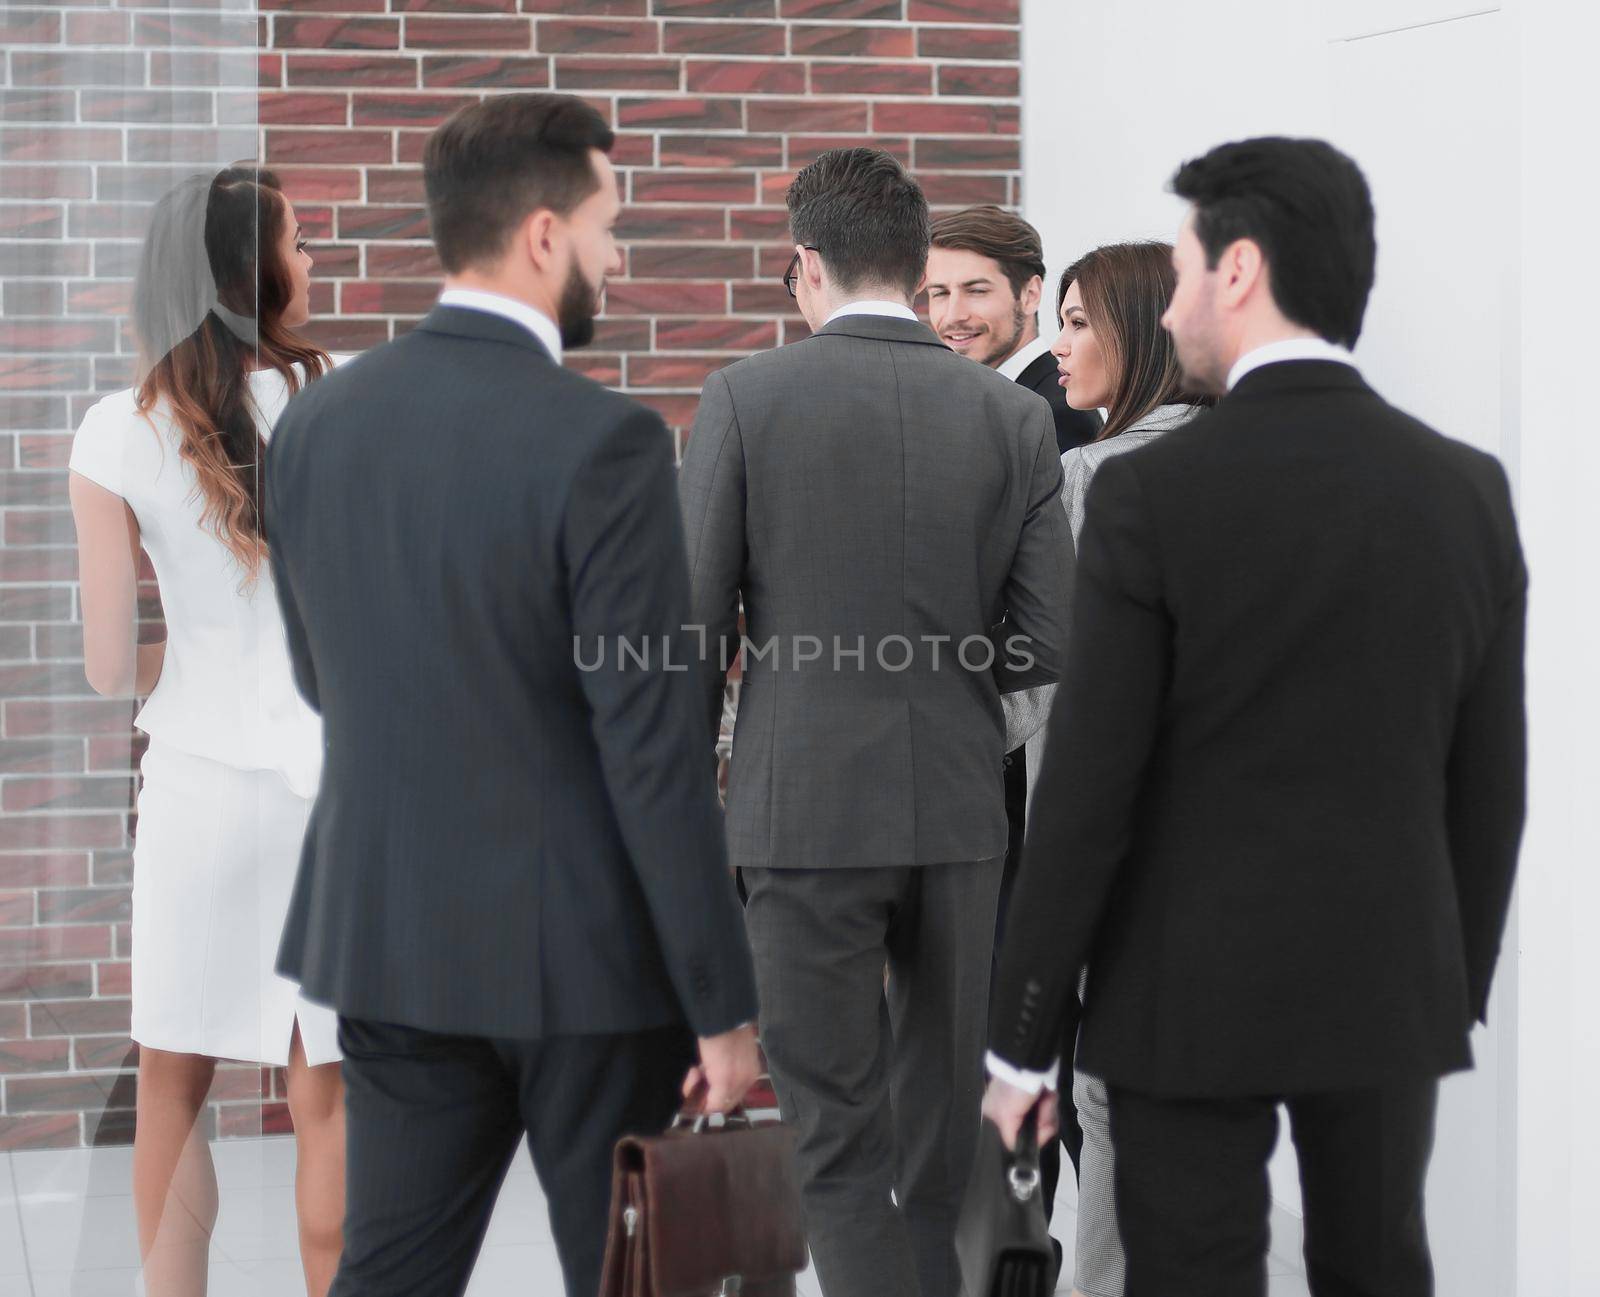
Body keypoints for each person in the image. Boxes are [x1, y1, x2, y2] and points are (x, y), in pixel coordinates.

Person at [983, 136, 1526, 1297]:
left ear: (1237, 272)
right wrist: (1447, 984)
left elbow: (1088, 786)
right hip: (1386, 975)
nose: (1170, 304)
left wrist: (1021, 1033)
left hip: (1181, 984)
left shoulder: (1146, 492)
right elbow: (1489, 786)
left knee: (1190, 1278)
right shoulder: (1463, 486)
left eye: (1179, 271)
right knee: (1376, 1268)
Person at [262, 93, 761, 1297]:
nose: (617, 253)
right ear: (543, 235)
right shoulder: (607, 440)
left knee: (390, 1270)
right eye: (607, 224)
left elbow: (318, 678)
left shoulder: (318, 420)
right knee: (638, 1277)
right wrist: (723, 1008)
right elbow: (651, 745)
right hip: (579, 959)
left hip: (385, 934)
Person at [679, 148, 1073, 1297]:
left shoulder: (745, 399)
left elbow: (696, 639)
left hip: (797, 814)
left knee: (831, 1135)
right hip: (956, 808)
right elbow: (1046, 639)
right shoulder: (1009, 416)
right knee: (941, 1137)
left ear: (805, 266)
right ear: (912, 270)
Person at [68, 167, 346, 1296]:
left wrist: (196, 658)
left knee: (175, 1083)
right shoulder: (341, 391)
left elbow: (102, 666)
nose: (315, 262)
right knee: (324, 1083)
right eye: (302, 242)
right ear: (255, 273)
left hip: (196, 793)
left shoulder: (112, 429)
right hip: (334, 788)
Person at [1010, 240, 1213, 1297]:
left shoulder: (1089, 480)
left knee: (1108, 1124)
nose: (1059, 344)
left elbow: (1041, 683)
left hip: (1112, 865)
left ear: (1139, 333)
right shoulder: (1242, 461)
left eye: (1081, 320)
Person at [926, 205, 1103, 458]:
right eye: (940, 293)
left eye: (976, 291)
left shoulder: (1059, 414)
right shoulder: (959, 402)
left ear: (1030, 295)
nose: (954, 315)